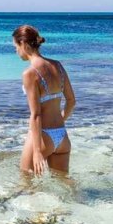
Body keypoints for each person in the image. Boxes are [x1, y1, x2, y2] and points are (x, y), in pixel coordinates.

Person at [13, 25, 75, 175]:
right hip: (62, 135)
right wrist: (60, 121)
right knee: (64, 185)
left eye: (16, 46)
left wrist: (37, 152)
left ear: (24, 44)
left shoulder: (30, 73)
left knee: (26, 182)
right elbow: (71, 101)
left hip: (43, 136)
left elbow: (36, 115)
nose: (16, 51)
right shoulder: (58, 66)